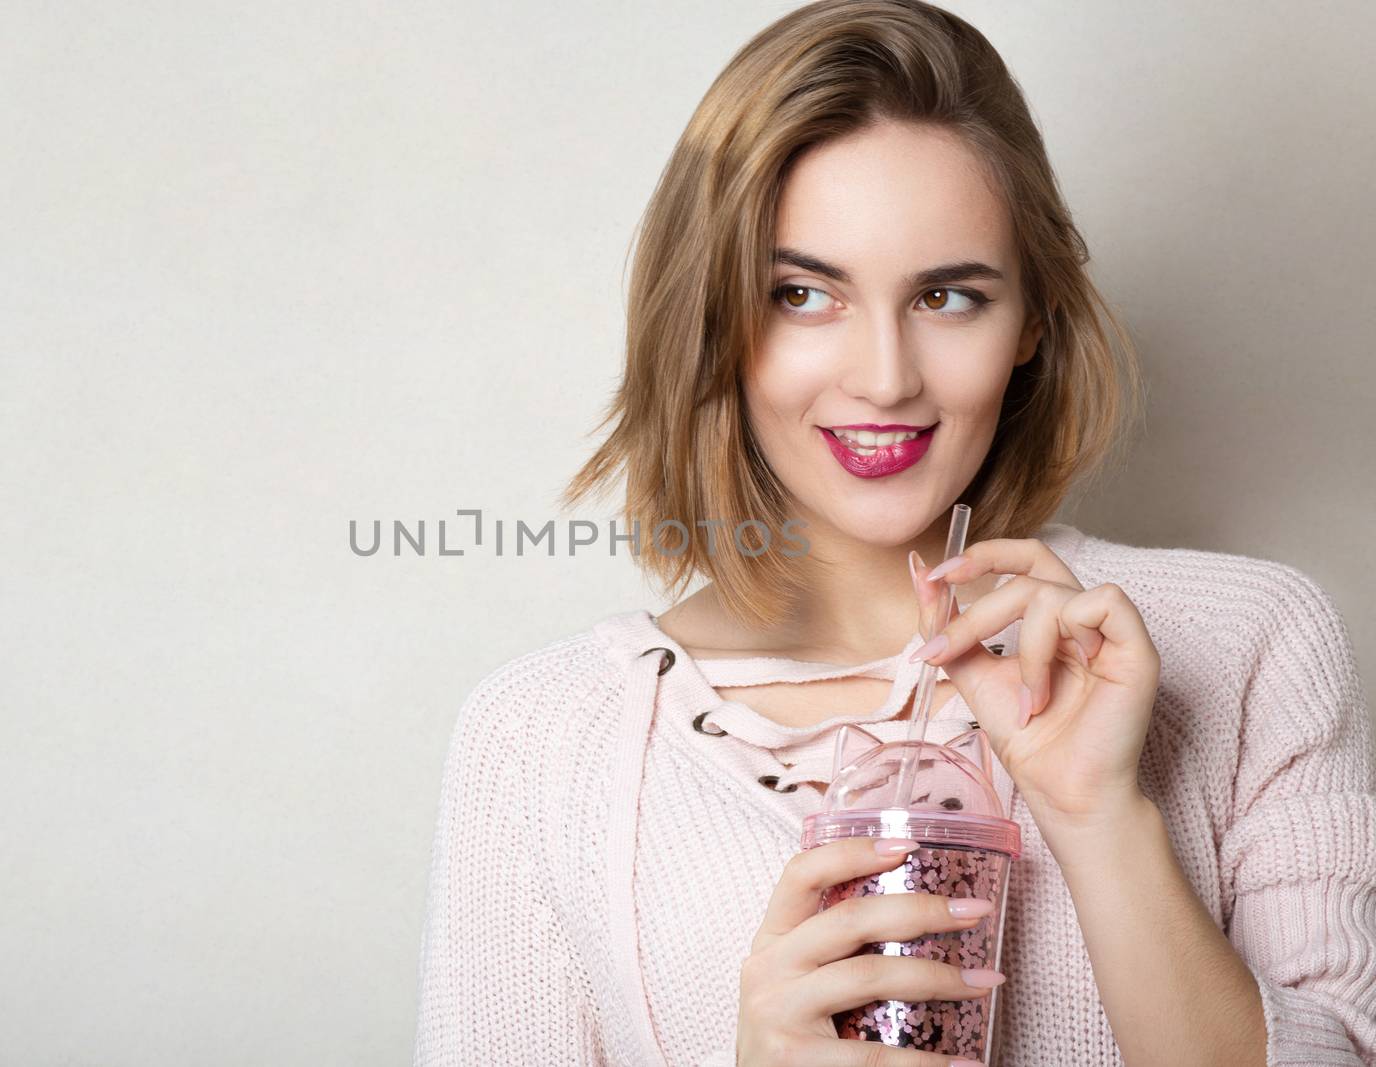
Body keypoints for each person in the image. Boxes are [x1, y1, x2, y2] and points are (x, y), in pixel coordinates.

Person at [411, 1, 1376, 1064]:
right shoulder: (544, 738)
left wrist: (1101, 818)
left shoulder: (1246, 645)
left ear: (1032, 321)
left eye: (948, 296)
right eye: (801, 293)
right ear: (711, 319)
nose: (883, 376)